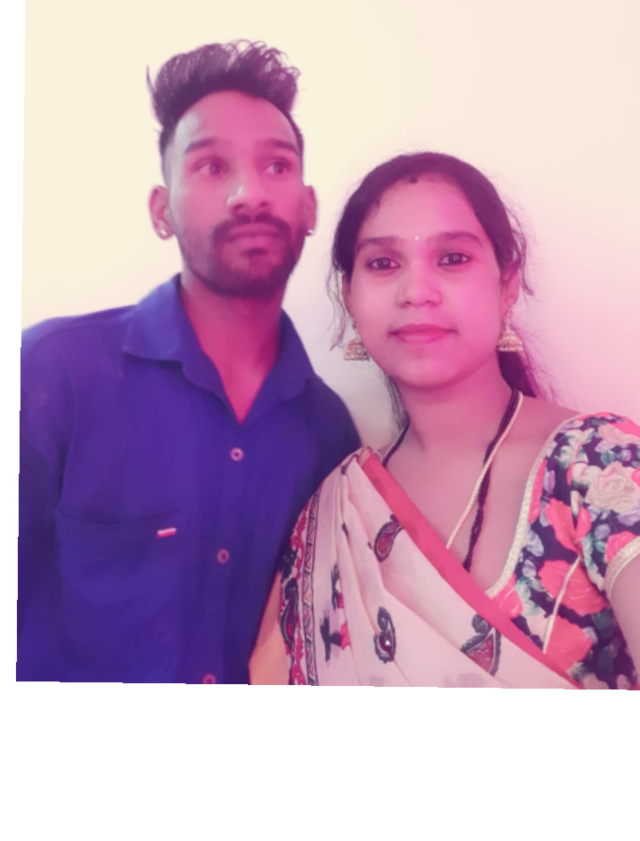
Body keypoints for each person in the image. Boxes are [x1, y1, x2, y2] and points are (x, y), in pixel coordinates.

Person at [18, 41, 360, 685]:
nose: (249, 194)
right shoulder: (52, 375)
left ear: (309, 207)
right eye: (211, 166)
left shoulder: (329, 435)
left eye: (277, 165)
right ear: (161, 211)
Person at [250, 151, 640, 690]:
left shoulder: (601, 467)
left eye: (453, 258)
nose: (416, 291)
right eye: (383, 263)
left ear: (507, 285)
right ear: (349, 296)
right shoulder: (333, 515)